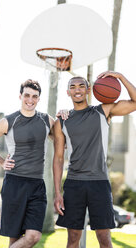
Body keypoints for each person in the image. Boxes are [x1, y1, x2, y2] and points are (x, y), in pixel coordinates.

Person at [53, 71, 136, 248]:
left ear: (88, 90)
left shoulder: (103, 111)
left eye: (81, 85)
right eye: (73, 86)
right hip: (74, 183)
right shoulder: (62, 121)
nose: (77, 90)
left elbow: (135, 102)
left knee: (104, 237)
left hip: (99, 182)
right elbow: (58, 158)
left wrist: (120, 77)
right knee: (73, 238)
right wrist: (58, 192)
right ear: (68, 92)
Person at [0, 79, 54, 248]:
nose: (30, 99)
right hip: (15, 183)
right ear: (20, 96)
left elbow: (62, 138)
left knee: (33, 236)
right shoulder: (9, 121)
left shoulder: (46, 120)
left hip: (37, 184)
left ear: (38, 99)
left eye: (34, 96)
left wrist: (64, 115)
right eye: (27, 95)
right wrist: (1, 162)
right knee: (14, 238)